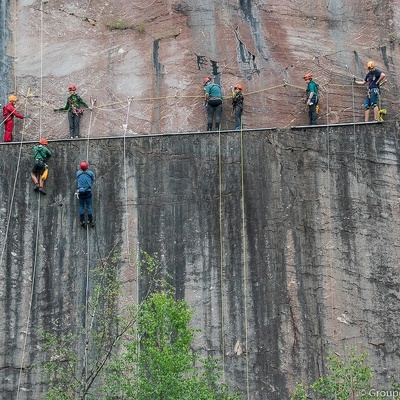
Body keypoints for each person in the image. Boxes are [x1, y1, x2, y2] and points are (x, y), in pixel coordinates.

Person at [76, 161, 95, 228]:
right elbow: (93, 179)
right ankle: (90, 221)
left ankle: (82, 221)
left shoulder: (78, 173)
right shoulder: (90, 173)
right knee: (89, 206)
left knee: (81, 206)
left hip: (80, 192)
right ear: (87, 167)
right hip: (88, 191)